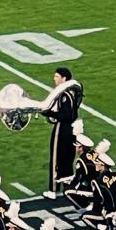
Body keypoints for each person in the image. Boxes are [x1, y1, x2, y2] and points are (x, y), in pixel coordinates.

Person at [41, 68, 83, 198]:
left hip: (62, 128)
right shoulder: (72, 92)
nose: (55, 79)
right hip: (71, 128)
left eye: (57, 76)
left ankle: (53, 189)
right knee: (67, 158)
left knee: (56, 158)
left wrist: (49, 112)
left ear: (64, 78)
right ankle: (67, 186)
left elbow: (66, 115)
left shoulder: (65, 94)